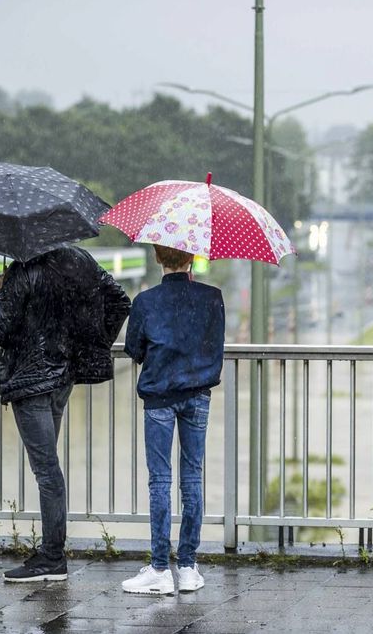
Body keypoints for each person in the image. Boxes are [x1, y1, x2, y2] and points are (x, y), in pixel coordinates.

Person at [0, 245, 130, 582]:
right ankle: (51, 554)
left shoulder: (22, 271)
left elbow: (0, 331)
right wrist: (88, 345)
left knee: (47, 471)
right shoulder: (77, 260)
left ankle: (52, 557)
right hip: (61, 377)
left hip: (30, 382)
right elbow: (119, 301)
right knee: (48, 468)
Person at [121, 245, 225, 595]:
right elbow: (215, 347)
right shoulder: (212, 298)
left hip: (160, 398)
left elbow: (134, 350)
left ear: (157, 258)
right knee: (192, 477)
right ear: (192, 258)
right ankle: (188, 566)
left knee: (160, 480)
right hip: (198, 396)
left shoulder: (146, 301)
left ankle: (159, 569)